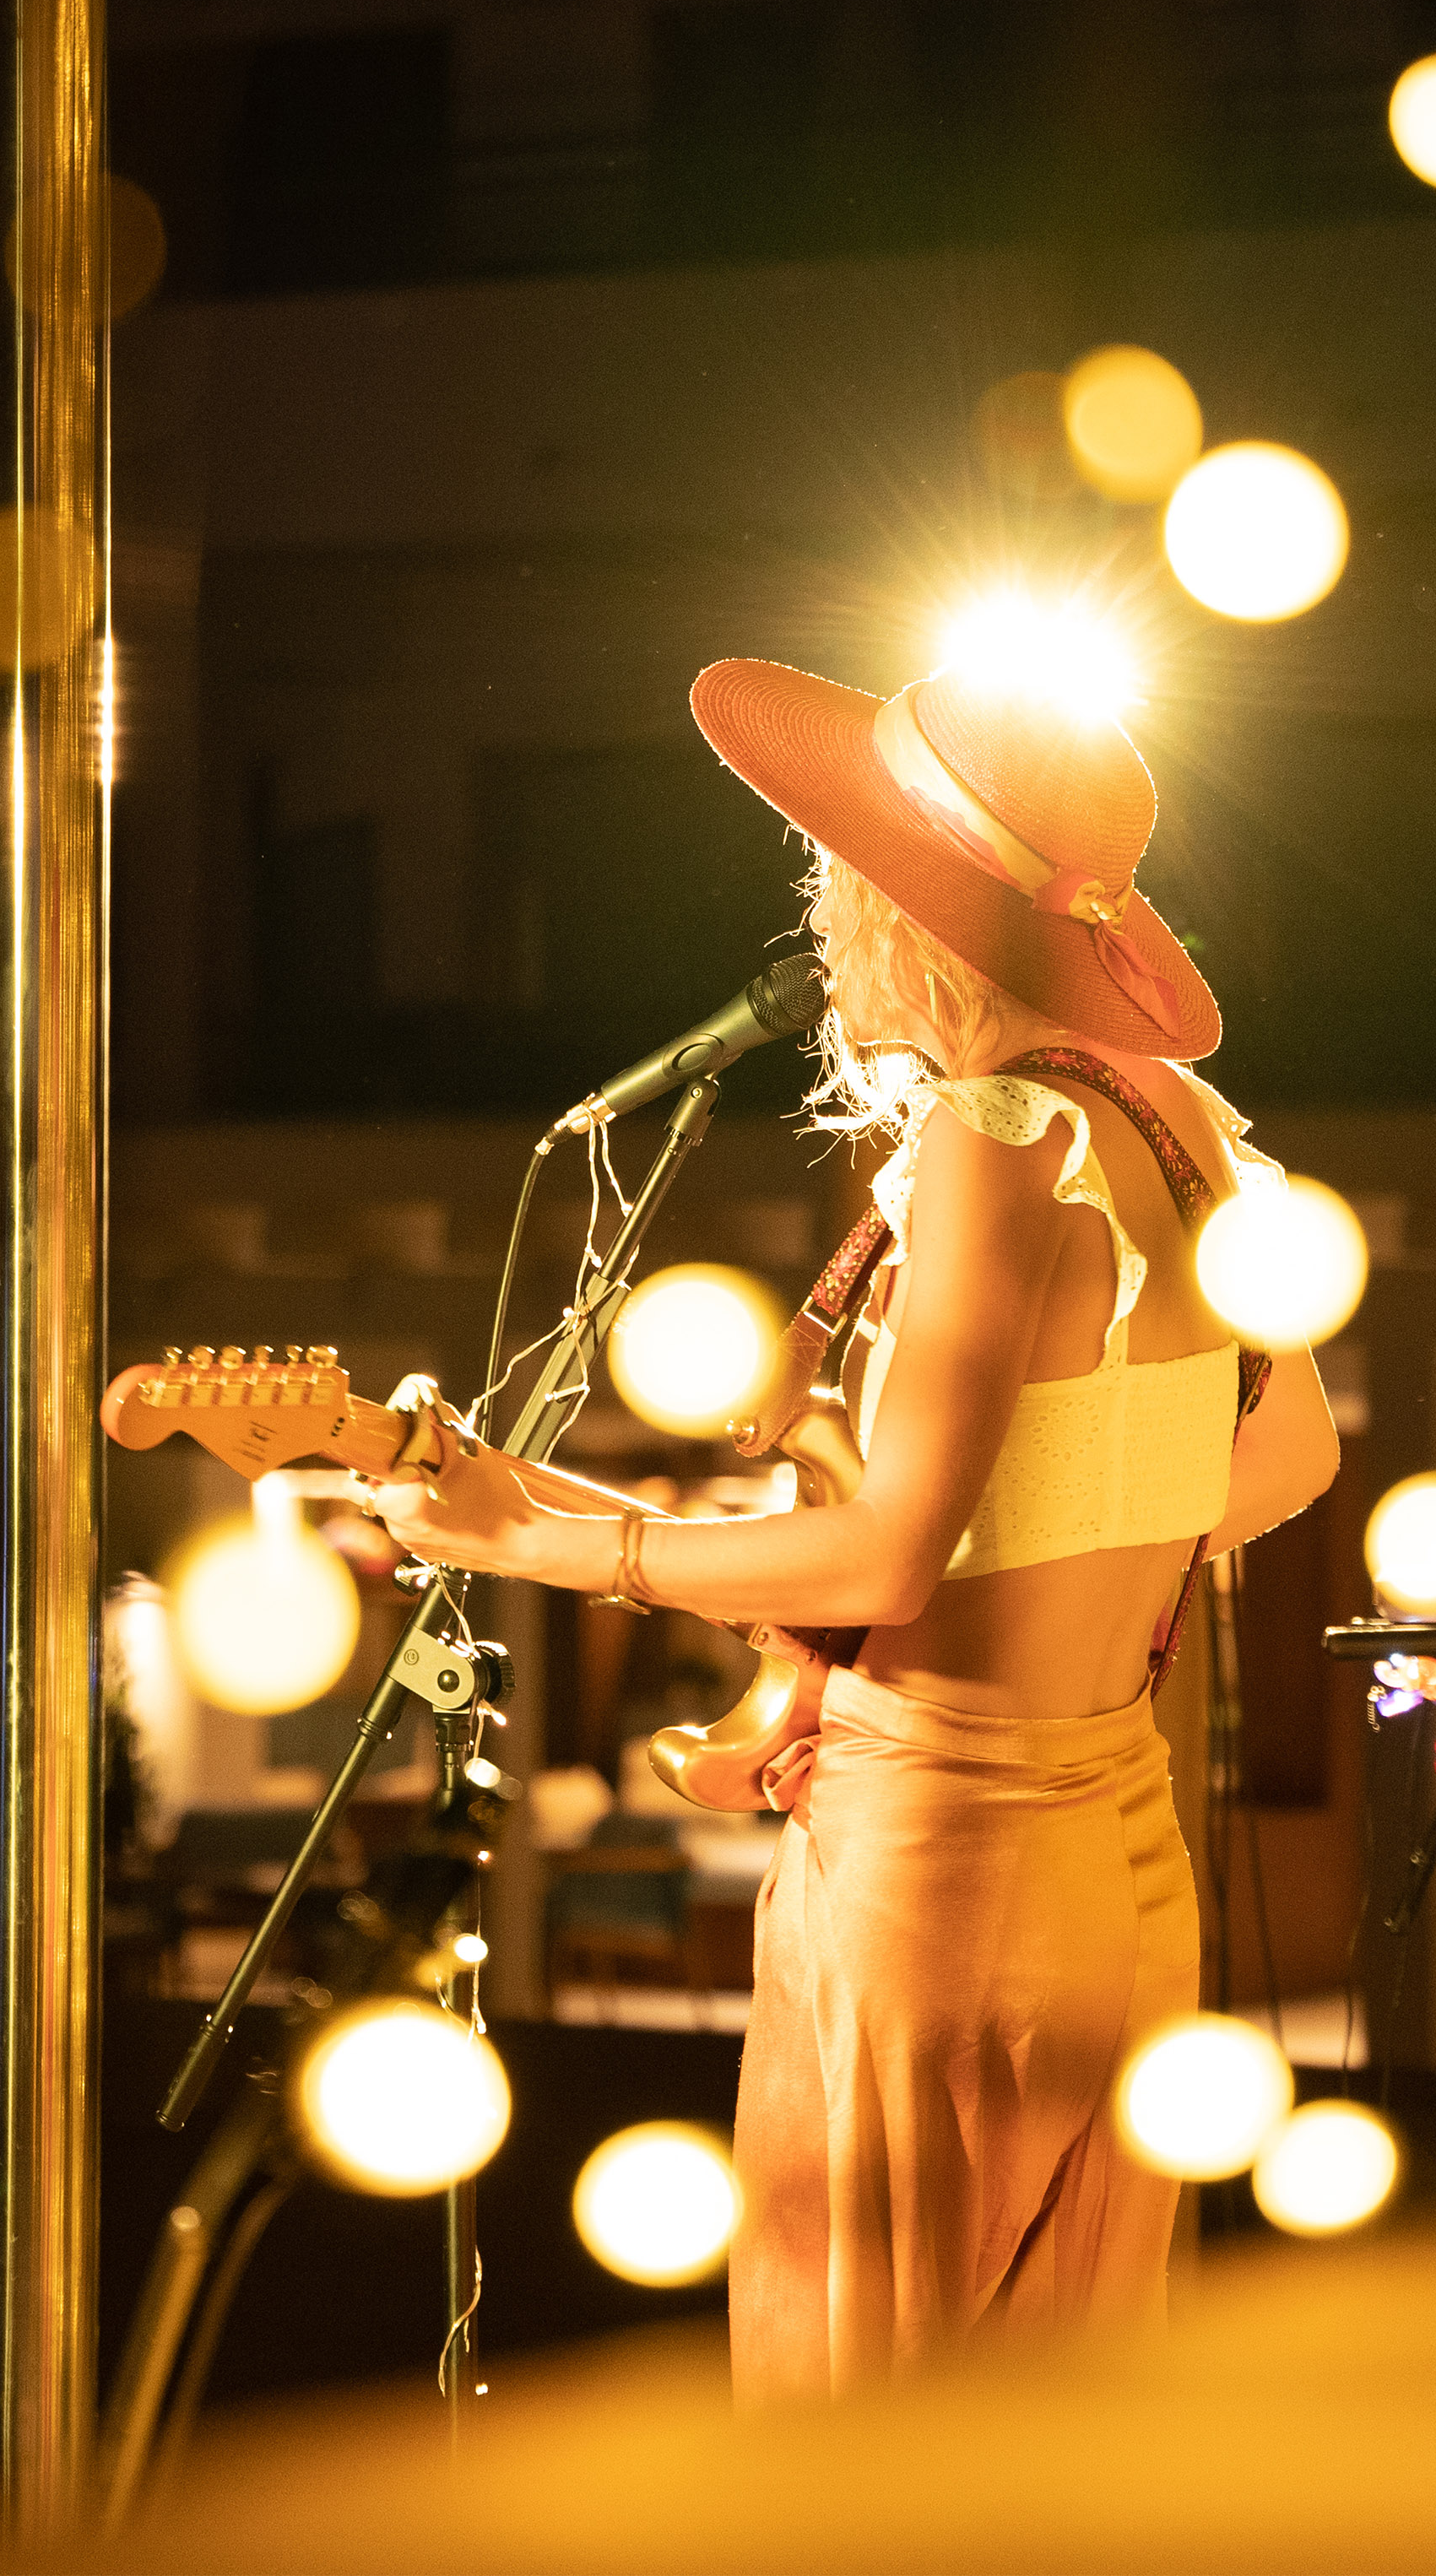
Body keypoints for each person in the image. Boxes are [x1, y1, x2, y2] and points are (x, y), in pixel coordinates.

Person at [372, 658, 1341, 2399]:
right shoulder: (1181, 1130)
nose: (816, 915)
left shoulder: (984, 1142)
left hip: (938, 1872)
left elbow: (886, 1561)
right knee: (1049, 2459)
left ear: (900, 908)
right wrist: (1050, 1525)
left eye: (834, 869)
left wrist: (545, 1545)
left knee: (865, 2449)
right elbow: (1291, 1460)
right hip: (1114, 1863)